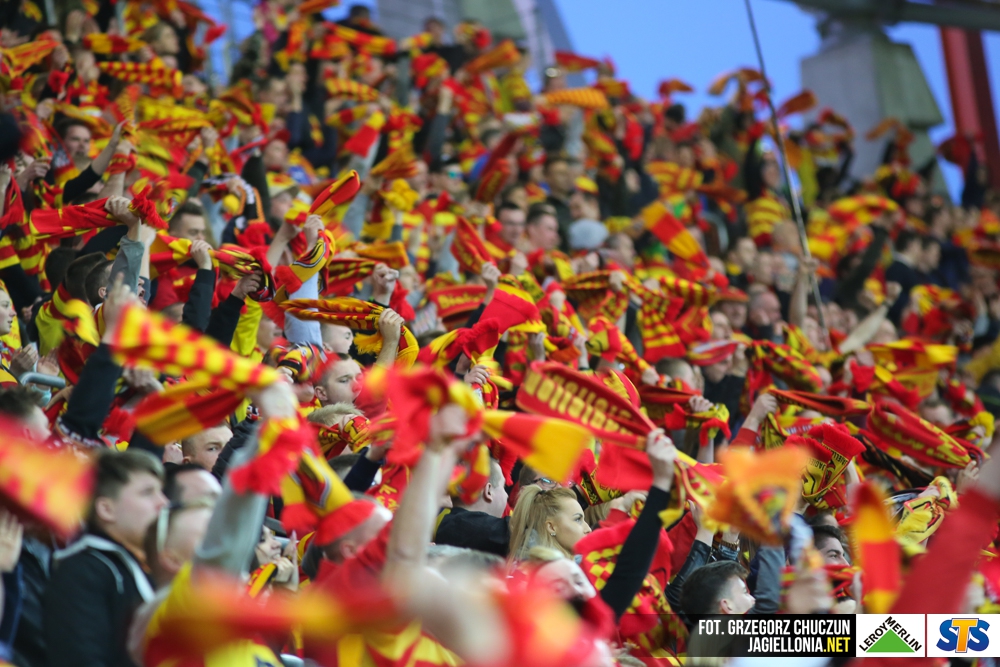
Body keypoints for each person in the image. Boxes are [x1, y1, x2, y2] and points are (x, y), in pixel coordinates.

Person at [44, 450, 168, 667]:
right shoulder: (81, 572)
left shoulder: (143, 566)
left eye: (161, 492)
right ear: (106, 509)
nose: (163, 503)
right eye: (148, 493)